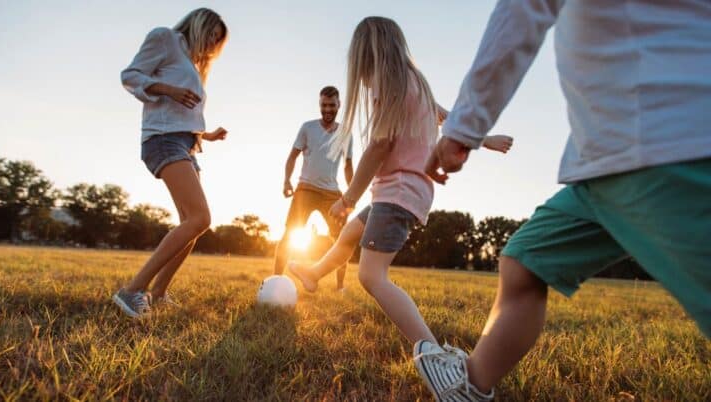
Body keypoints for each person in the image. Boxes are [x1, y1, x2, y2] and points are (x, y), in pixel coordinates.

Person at [419, 1, 711, 400]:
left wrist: (465, 127)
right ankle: (469, 386)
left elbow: (525, 8)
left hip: (666, 147)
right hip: (605, 161)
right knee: (526, 260)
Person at [288, 17, 512, 395]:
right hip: (398, 191)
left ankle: (436, 357)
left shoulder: (389, 87)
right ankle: (312, 273)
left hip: (398, 191)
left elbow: (378, 147)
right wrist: (484, 139)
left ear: (368, 57)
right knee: (349, 236)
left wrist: (347, 198)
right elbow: (447, 116)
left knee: (371, 277)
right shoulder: (415, 82)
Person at [113, 8, 229, 318]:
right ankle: (132, 290)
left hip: (185, 143)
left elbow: (183, 113)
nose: (210, 45)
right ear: (199, 26)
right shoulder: (165, 38)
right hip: (163, 139)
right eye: (210, 36)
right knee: (199, 218)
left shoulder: (191, 63)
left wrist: (207, 134)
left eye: (216, 42)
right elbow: (130, 76)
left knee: (192, 226)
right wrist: (169, 89)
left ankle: (159, 293)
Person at [273, 86, 354, 291]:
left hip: (332, 194)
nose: (327, 109)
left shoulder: (345, 133)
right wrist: (286, 180)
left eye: (331, 105)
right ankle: (275, 281)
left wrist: (351, 195)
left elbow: (348, 166)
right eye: (324, 105)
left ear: (339, 105)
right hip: (306, 189)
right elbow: (292, 156)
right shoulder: (307, 128)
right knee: (289, 234)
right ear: (319, 104)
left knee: (343, 240)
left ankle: (340, 287)